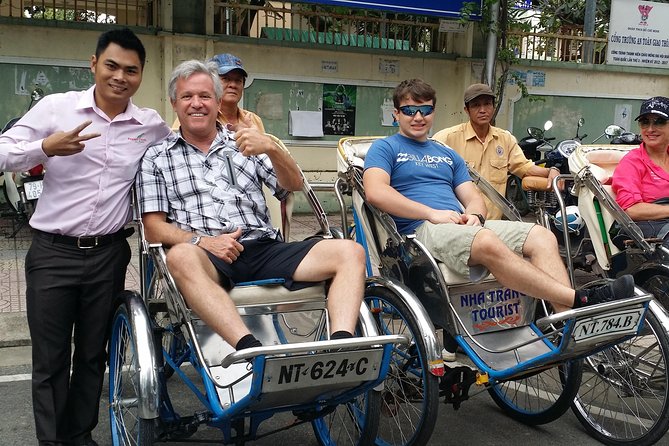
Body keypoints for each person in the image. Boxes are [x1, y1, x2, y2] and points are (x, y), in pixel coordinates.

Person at [362, 78, 634, 360]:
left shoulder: (446, 154)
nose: (418, 117)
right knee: (486, 240)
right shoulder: (386, 148)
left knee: (540, 235)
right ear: (396, 114)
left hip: (462, 225)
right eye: (408, 111)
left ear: (434, 112)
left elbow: (472, 195)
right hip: (420, 230)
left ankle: (566, 324)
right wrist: (430, 213)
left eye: (425, 110)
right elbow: (376, 192)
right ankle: (579, 300)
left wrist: (476, 215)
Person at [0, 29, 171, 446]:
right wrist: (45, 147)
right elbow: (4, 150)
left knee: (94, 355)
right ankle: (52, 441)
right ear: (93, 64)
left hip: (110, 254)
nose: (120, 76)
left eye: (131, 70)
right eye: (111, 66)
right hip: (53, 253)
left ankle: (80, 435)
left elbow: (181, 158)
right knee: (51, 359)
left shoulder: (148, 125)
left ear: (141, 75)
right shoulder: (57, 109)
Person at [138, 59, 365, 353]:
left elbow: (292, 186)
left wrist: (272, 148)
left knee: (350, 251)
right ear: (174, 102)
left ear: (218, 101)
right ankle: (250, 348)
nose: (197, 104)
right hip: (207, 255)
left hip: (262, 248)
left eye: (205, 96)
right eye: (187, 96)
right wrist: (203, 241)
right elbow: (153, 228)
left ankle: (341, 349)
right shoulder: (157, 157)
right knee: (180, 257)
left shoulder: (245, 142)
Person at [433, 83, 560, 220]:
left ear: (493, 107)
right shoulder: (447, 138)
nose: (482, 110)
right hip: (460, 222)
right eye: (476, 105)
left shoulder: (505, 139)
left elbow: (524, 167)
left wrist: (551, 171)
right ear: (467, 110)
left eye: (487, 104)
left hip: (494, 225)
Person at [612, 96, 669, 245]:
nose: (650, 129)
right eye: (645, 122)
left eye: (659, 122)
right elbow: (630, 210)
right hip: (648, 235)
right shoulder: (632, 162)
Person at [171, 53, 264, 131]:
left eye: (238, 80)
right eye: (226, 79)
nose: (233, 85)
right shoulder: (196, 115)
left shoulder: (253, 119)